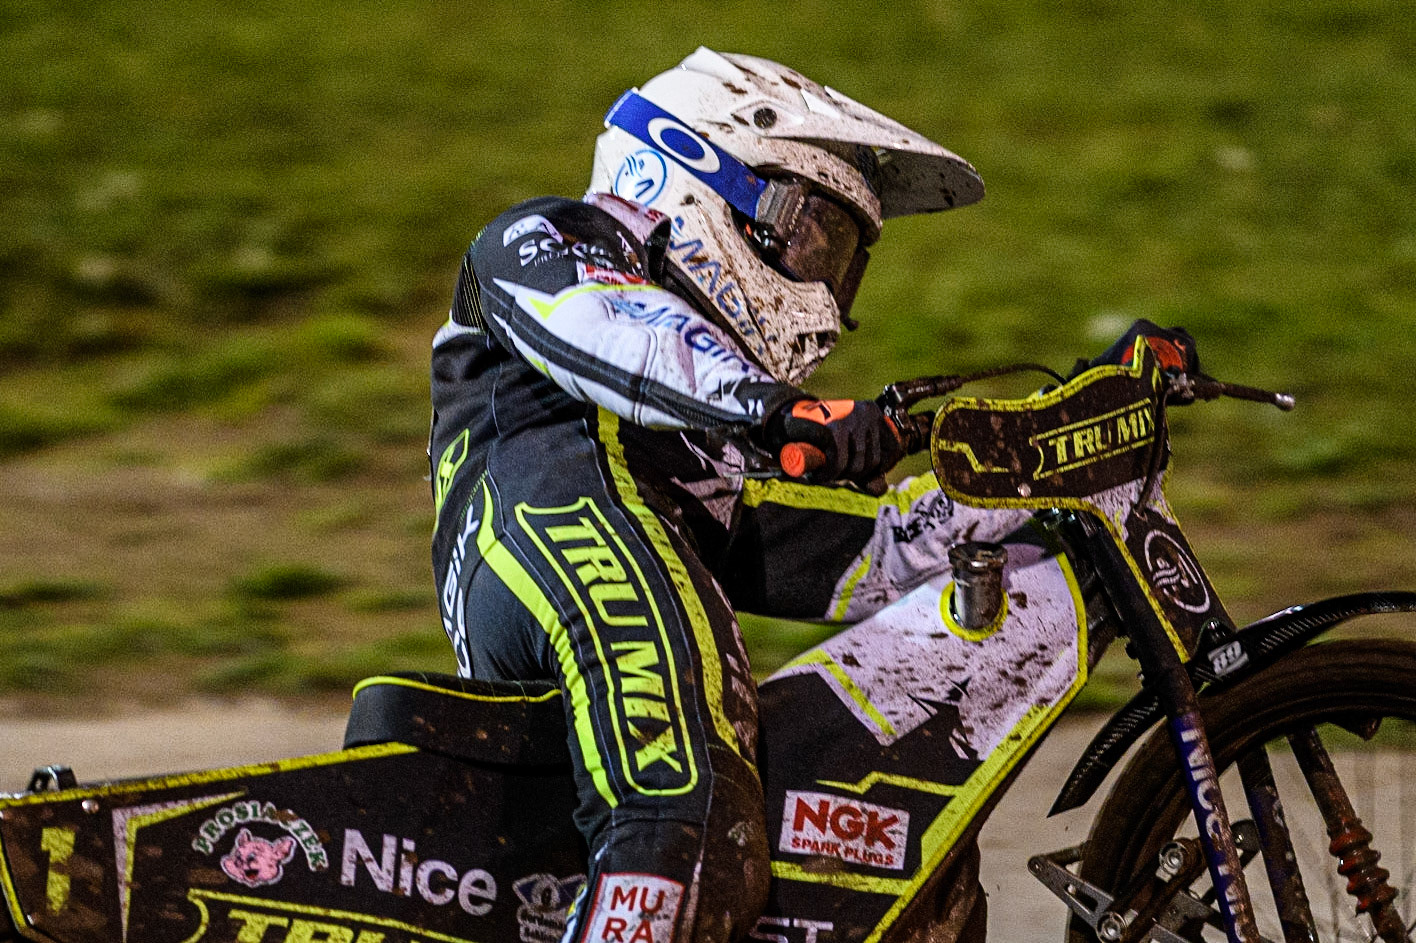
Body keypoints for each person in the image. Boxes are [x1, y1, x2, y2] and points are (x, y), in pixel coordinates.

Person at [428, 48, 1194, 943]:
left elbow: (879, 549)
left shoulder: (688, 451)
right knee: (694, 816)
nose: (829, 296)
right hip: (555, 534)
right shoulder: (552, 239)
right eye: (817, 238)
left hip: (595, 549)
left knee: (894, 874)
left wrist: (1067, 434)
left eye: (849, 262)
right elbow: (615, 331)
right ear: (707, 181)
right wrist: (777, 407)